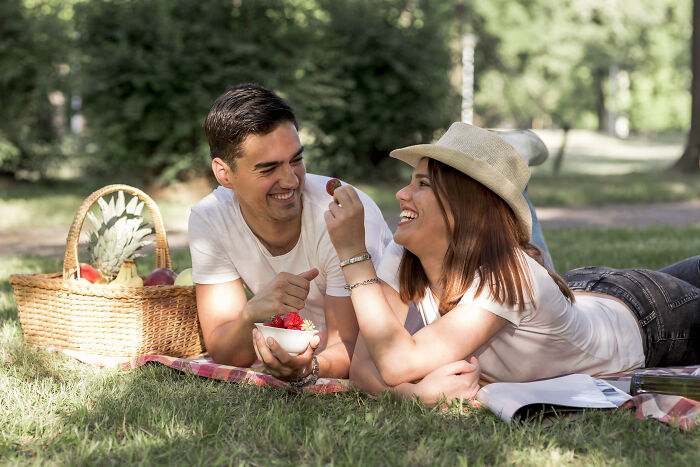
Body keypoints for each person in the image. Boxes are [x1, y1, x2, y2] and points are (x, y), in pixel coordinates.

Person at [323, 121, 700, 406]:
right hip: (585, 290)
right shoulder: (407, 252)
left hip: (650, 318)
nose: (401, 194)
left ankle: (508, 155)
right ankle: (508, 153)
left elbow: (395, 364)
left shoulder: (510, 277)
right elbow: (365, 368)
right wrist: (416, 395)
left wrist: (354, 257)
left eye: (422, 184)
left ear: (462, 205)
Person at [188, 83, 393, 385]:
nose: (290, 180)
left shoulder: (340, 213)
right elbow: (224, 349)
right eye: (268, 169)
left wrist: (307, 369)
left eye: (296, 160)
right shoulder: (210, 219)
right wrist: (249, 315)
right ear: (224, 173)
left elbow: (354, 346)